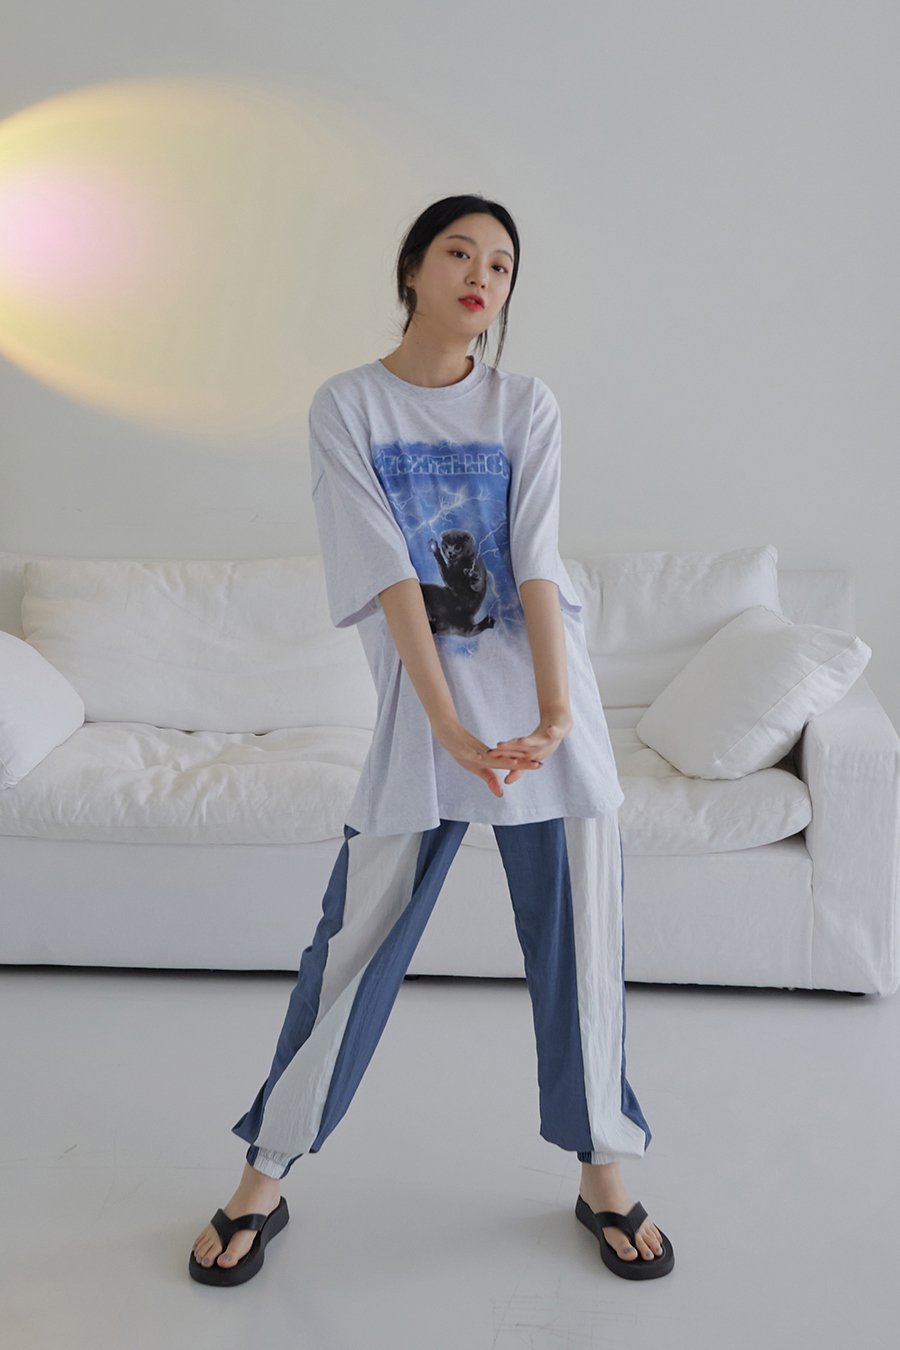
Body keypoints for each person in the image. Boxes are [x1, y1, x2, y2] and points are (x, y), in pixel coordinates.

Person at [189, 194, 673, 1285]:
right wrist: (449, 724)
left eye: (502, 265)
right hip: (426, 715)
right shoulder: (350, 405)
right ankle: (266, 1171)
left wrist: (556, 713)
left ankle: (604, 1167)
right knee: (352, 948)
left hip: (546, 709)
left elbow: (535, 558)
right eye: (460, 252)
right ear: (412, 267)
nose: (481, 277)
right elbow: (387, 572)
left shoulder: (525, 403)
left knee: (582, 947)